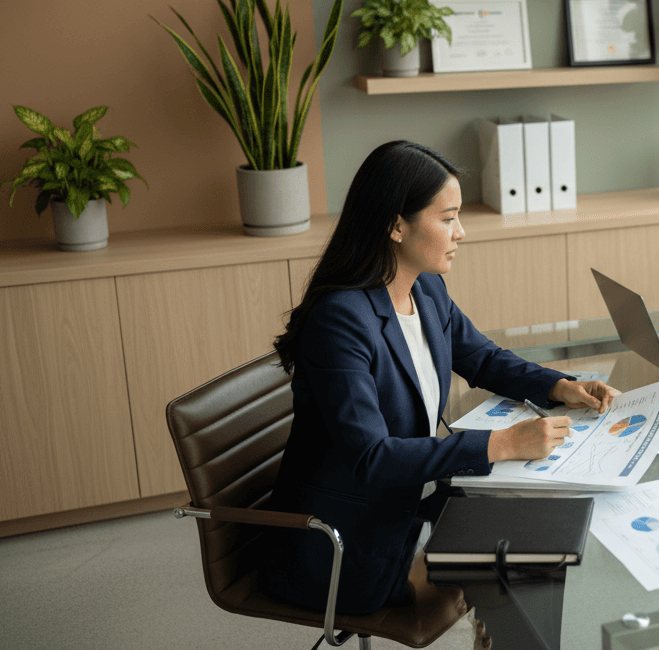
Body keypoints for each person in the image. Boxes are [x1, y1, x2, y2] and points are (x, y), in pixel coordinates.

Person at [261, 140, 616, 614]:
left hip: (415, 501)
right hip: (344, 544)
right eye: (447, 219)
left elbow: (483, 359)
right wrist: (503, 444)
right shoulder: (340, 321)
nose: (461, 233)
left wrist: (558, 386)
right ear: (395, 225)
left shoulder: (425, 286)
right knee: (528, 561)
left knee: (550, 535)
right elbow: (371, 458)